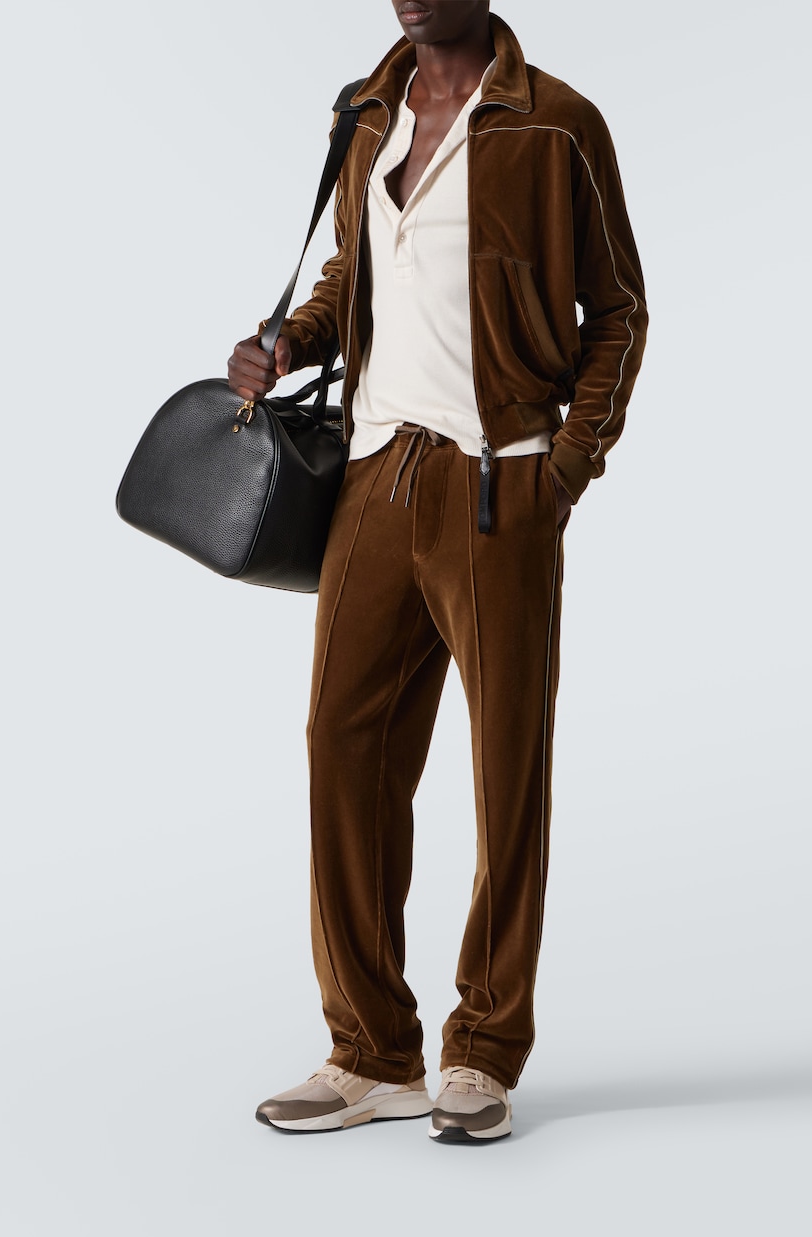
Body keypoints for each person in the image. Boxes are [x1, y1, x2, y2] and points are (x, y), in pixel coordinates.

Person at [228, 0, 647, 1143]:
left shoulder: (556, 124)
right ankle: (371, 1052)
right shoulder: (364, 114)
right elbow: (353, 273)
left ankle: (483, 1049)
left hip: (497, 481)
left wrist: (563, 468)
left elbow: (617, 310)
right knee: (341, 744)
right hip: (373, 472)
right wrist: (291, 342)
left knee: (504, 769)